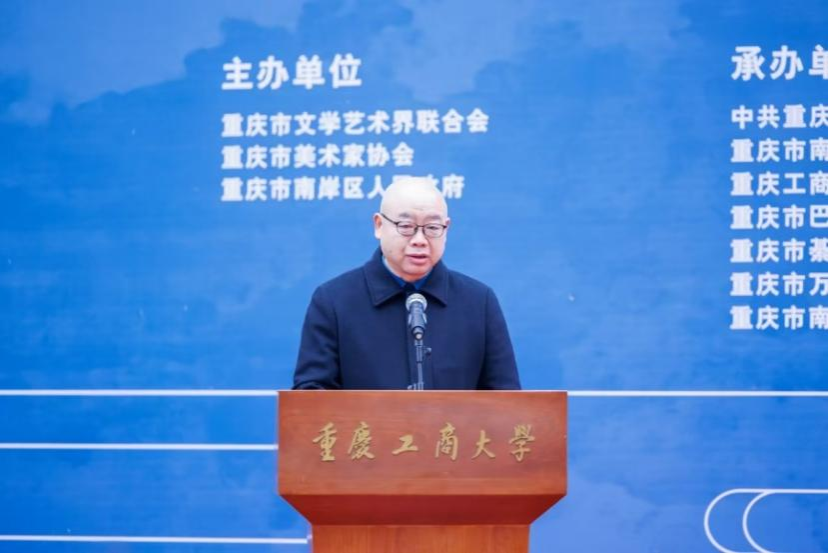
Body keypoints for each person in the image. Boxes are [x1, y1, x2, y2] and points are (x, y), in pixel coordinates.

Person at [292, 177, 521, 390]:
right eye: (405, 226)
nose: (419, 240)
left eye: (432, 228)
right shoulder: (334, 301)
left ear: (446, 229)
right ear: (379, 225)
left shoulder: (478, 302)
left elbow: (506, 399)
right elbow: (312, 399)